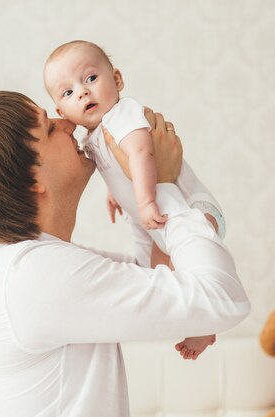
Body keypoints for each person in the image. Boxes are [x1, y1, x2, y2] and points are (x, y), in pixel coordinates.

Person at [0, 91, 250, 417]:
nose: (67, 123)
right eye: (49, 129)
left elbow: (156, 270)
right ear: (32, 178)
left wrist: (139, 187)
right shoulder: (35, 276)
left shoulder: (17, 267)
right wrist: (164, 185)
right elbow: (222, 299)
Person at [43, 40, 225, 358]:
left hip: (192, 210)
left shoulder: (123, 114)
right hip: (160, 220)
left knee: (185, 271)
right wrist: (118, 194)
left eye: (90, 79)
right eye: (68, 92)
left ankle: (205, 327)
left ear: (117, 80)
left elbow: (141, 152)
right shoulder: (92, 137)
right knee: (158, 273)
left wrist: (143, 201)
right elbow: (119, 168)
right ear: (62, 113)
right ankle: (196, 323)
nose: (83, 92)